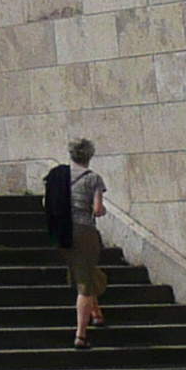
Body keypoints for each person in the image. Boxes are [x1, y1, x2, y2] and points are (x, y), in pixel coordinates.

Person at [64, 138, 109, 347]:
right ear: (89, 156)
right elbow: (98, 209)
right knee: (85, 282)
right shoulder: (94, 179)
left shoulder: (60, 177)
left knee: (86, 272)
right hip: (84, 230)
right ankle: (81, 335)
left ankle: (97, 315)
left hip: (63, 232)